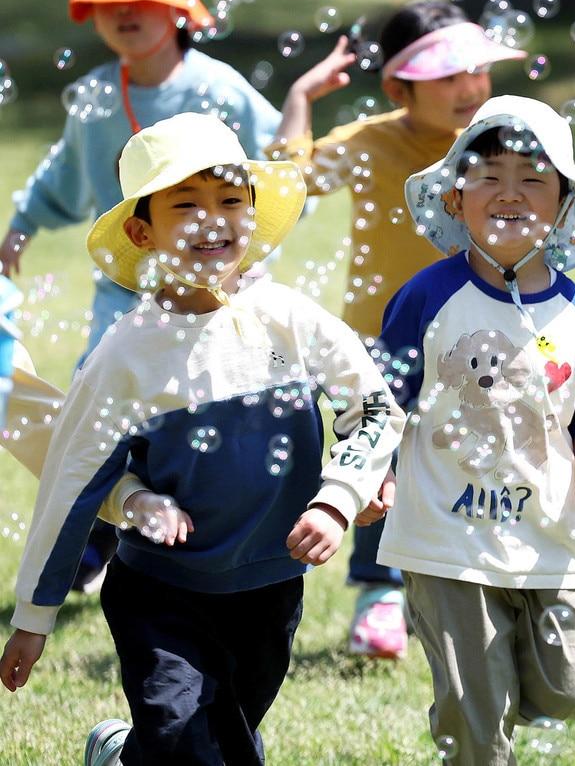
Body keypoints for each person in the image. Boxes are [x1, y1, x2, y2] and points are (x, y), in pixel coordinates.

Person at [0, 114, 405, 765]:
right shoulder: (126, 354)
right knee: (190, 744)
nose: (211, 219)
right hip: (162, 591)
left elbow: (377, 411)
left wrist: (340, 494)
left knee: (224, 739)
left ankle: (120, 755)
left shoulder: (289, 319)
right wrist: (34, 616)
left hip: (270, 585)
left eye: (229, 200)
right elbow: (72, 482)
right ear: (142, 231)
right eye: (184, 204)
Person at [0, 0, 282, 594]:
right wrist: (20, 229)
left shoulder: (221, 89)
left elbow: (273, 166)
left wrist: (253, 253)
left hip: (215, 292)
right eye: (108, 1)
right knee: (95, 413)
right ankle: (98, 538)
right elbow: (63, 173)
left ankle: (201, 534)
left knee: (196, 413)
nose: (124, 13)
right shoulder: (98, 99)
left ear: (182, 10)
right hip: (123, 294)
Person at [377, 96, 575, 764]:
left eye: (533, 178)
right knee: (477, 718)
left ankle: (491, 700)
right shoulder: (427, 297)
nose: (509, 193)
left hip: (552, 526)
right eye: (488, 175)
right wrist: (373, 474)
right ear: (456, 197)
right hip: (447, 533)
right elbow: (382, 400)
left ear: (562, 206)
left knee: (574, 687)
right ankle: (475, 727)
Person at [266, 0, 526, 658]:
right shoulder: (372, 141)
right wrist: (299, 96)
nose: (470, 87)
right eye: (448, 76)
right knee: (380, 459)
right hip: (382, 338)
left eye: (476, 71)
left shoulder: (498, 138)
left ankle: (475, 586)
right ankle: (378, 593)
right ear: (396, 87)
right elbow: (285, 181)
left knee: (481, 458)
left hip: (481, 337)